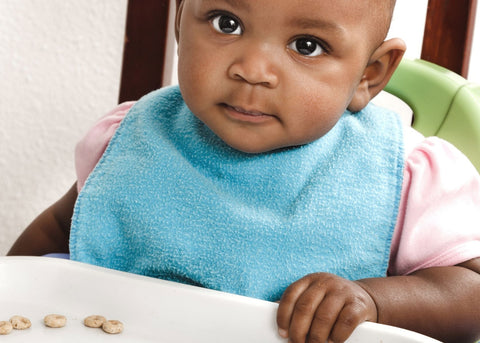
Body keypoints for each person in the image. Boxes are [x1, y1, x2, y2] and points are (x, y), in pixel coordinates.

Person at [7, 0, 480, 342]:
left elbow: (472, 292)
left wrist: (374, 302)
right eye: (226, 22)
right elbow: (57, 231)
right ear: (180, 21)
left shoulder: (402, 176)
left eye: (307, 45)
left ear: (369, 74)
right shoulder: (131, 139)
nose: (253, 69)